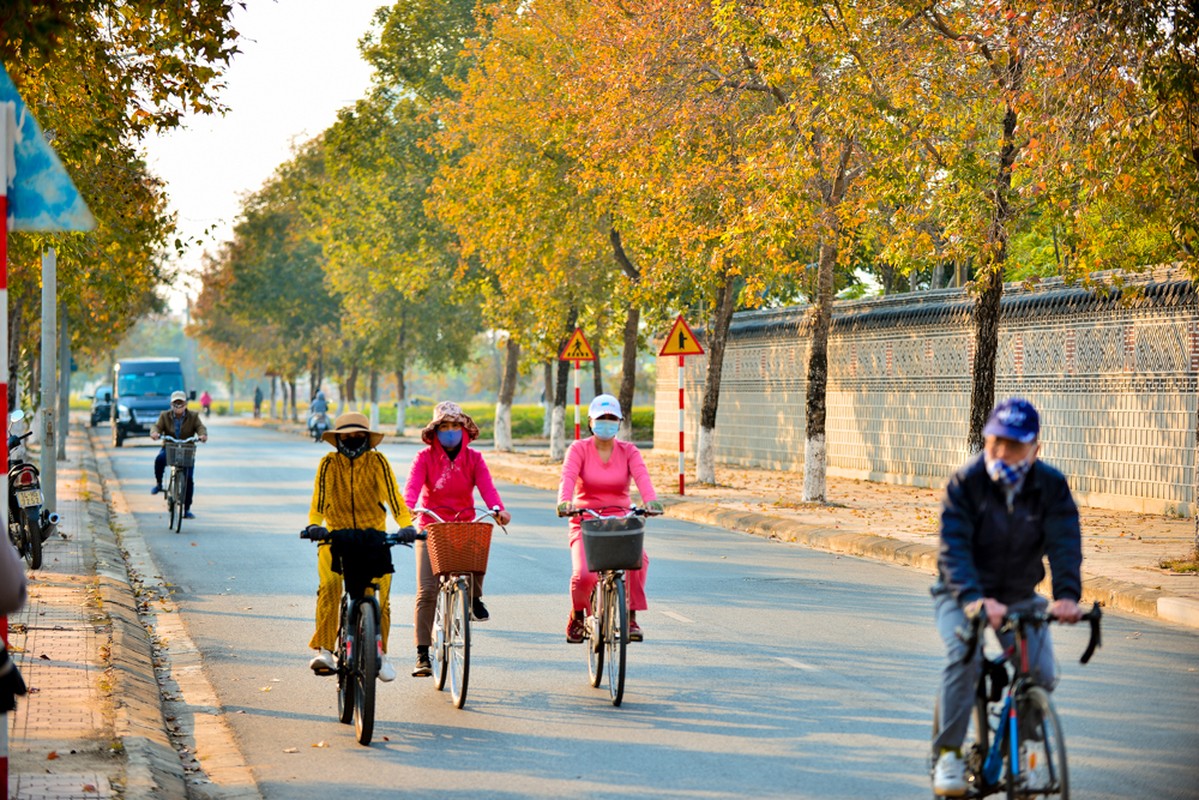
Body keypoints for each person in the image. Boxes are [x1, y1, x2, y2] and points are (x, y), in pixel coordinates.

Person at [930, 398, 1083, 797]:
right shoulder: (967, 482)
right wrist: (975, 599)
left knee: (1042, 674)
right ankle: (949, 752)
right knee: (963, 656)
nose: (1001, 453)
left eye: (1014, 446)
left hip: (1017, 595)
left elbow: (1065, 542)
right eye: (995, 442)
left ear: (1036, 448)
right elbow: (953, 549)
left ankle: (1025, 753)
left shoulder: (1050, 485)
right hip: (959, 592)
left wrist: (1067, 596)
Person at [404, 402, 511, 678]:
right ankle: (422, 654)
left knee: (477, 554)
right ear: (435, 432)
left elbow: (488, 489)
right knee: (427, 591)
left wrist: (498, 510)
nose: (450, 432)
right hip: (431, 526)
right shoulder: (424, 458)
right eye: (444, 427)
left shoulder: (474, 459)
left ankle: (474, 598)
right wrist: (407, 507)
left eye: (455, 426)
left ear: (464, 430)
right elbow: (412, 488)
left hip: (464, 524)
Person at [307, 412, 413, 682]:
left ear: (366, 438)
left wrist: (406, 525)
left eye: (358, 435)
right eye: (347, 435)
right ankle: (326, 651)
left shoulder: (378, 461)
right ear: (338, 438)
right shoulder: (328, 464)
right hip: (335, 538)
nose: (352, 439)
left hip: (373, 538)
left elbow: (395, 497)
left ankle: (382, 654)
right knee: (330, 586)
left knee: (382, 598)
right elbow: (318, 503)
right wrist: (314, 526)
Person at [556, 394, 663, 643]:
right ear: (591, 422)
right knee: (584, 575)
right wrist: (564, 502)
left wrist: (651, 501)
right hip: (586, 520)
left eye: (612, 418)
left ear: (619, 422)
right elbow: (568, 478)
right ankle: (578, 614)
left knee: (639, 560)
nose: (606, 422)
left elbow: (643, 478)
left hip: (620, 521)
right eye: (601, 418)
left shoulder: (629, 451)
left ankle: (631, 616)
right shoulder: (578, 449)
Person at [150, 391, 208, 520]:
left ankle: (186, 509)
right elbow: (157, 426)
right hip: (170, 448)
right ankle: (159, 484)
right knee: (159, 460)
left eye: (180, 403)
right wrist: (155, 433)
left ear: (186, 404)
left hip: (187, 450)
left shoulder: (193, 416)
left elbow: (200, 427)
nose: (178, 406)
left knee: (189, 479)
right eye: (175, 403)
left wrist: (202, 435)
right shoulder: (164, 416)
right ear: (171, 404)